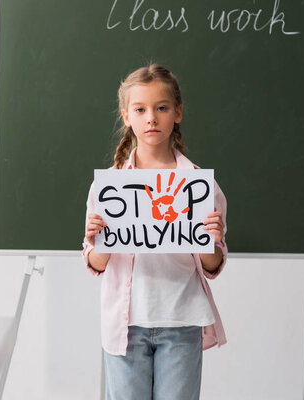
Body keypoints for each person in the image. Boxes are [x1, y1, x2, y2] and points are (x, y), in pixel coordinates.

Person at [82, 64, 228, 400]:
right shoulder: (110, 186)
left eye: (162, 108)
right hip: (125, 325)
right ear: (126, 116)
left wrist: (210, 236)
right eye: (141, 109)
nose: (151, 118)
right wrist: (99, 238)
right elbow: (96, 263)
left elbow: (212, 264)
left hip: (181, 320)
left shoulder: (198, 185)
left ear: (177, 113)